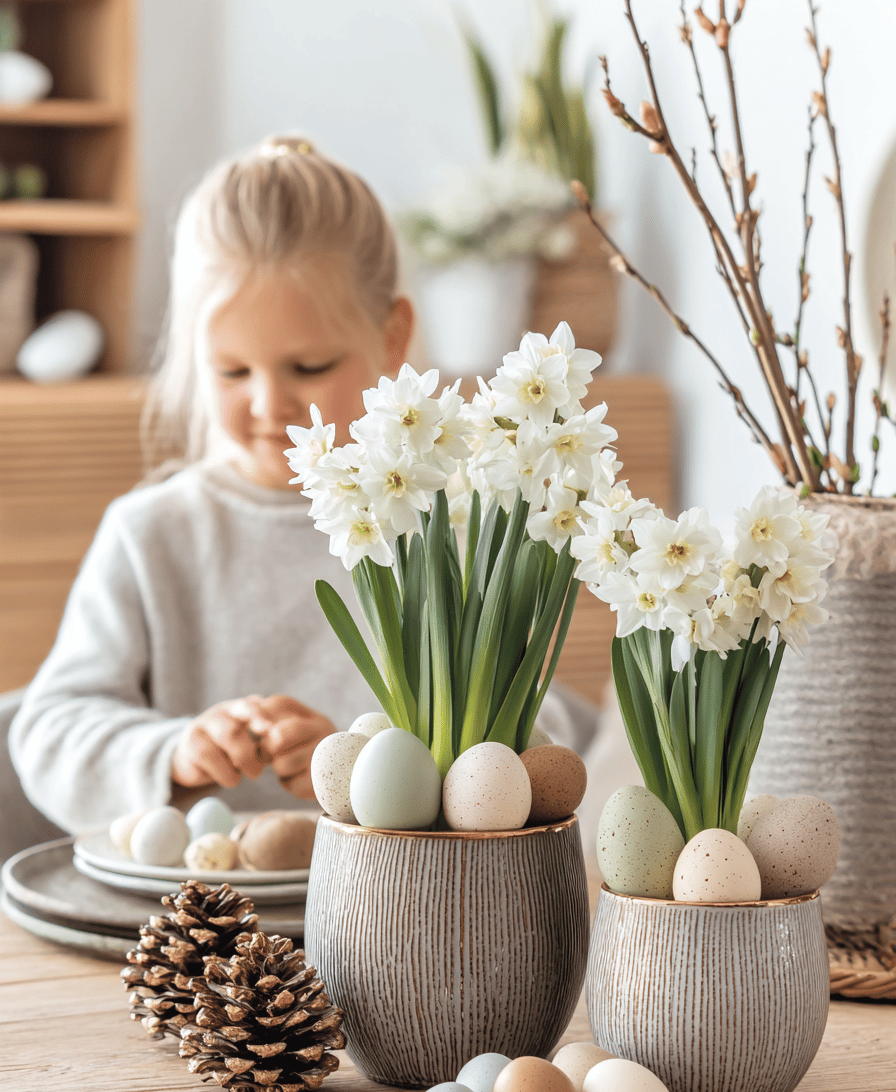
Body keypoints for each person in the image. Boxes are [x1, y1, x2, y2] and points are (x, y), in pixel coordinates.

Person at [10, 135, 594, 837]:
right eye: (231, 371)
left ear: (393, 336)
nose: (268, 404)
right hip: (193, 927)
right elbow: (48, 731)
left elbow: (536, 732)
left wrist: (358, 762)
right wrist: (172, 750)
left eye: (309, 365)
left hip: (394, 921)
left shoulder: (451, 524)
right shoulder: (152, 533)